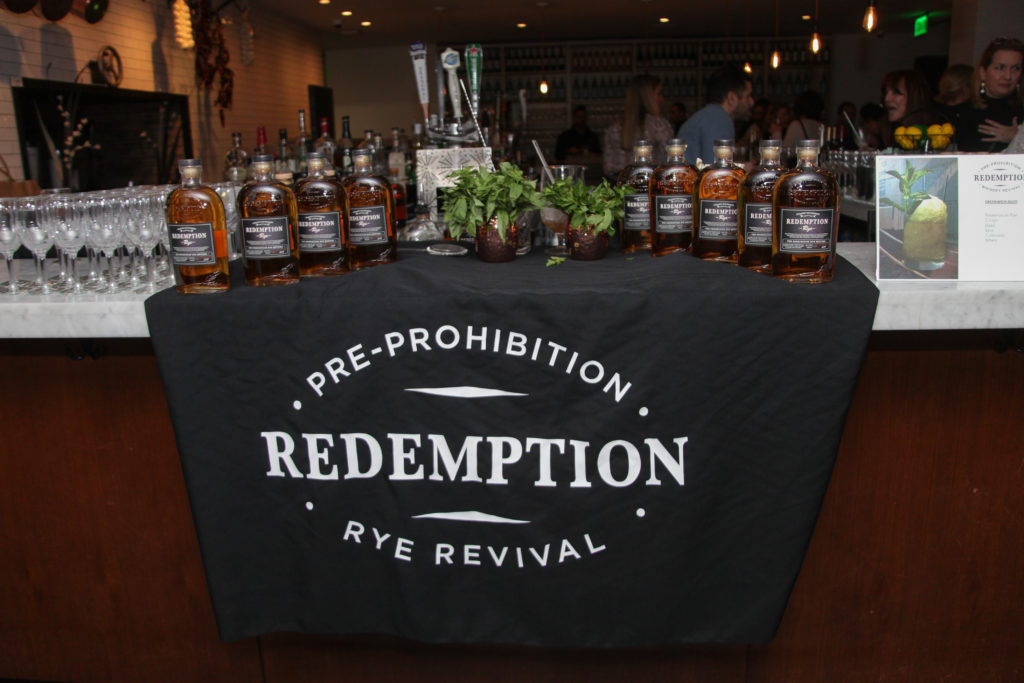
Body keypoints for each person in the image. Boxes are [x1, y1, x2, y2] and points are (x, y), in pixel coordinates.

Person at [953, 37, 1024, 152]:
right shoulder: (959, 114)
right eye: (1000, 68)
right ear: (983, 72)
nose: (1008, 76)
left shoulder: (1021, 111)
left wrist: (1018, 138)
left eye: (1015, 68)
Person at [677, 65, 753, 165]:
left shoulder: (709, 116)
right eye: (747, 96)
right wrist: (743, 169)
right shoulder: (719, 120)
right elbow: (717, 171)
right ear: (731, 98)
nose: (752, 102)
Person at [601, 74, 673, 179]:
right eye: (659, 94)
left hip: (620, 185)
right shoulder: (659, 126)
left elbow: (608, 168)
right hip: (651, 184)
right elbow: (671, 162)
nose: (662, 99)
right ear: (648, 98)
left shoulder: (614, 129)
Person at [880, 69, 941, 146]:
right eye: (886, 92)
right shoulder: (890, 132)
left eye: (896, 92)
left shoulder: (935, 135)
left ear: (914, 97)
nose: (887, 99)